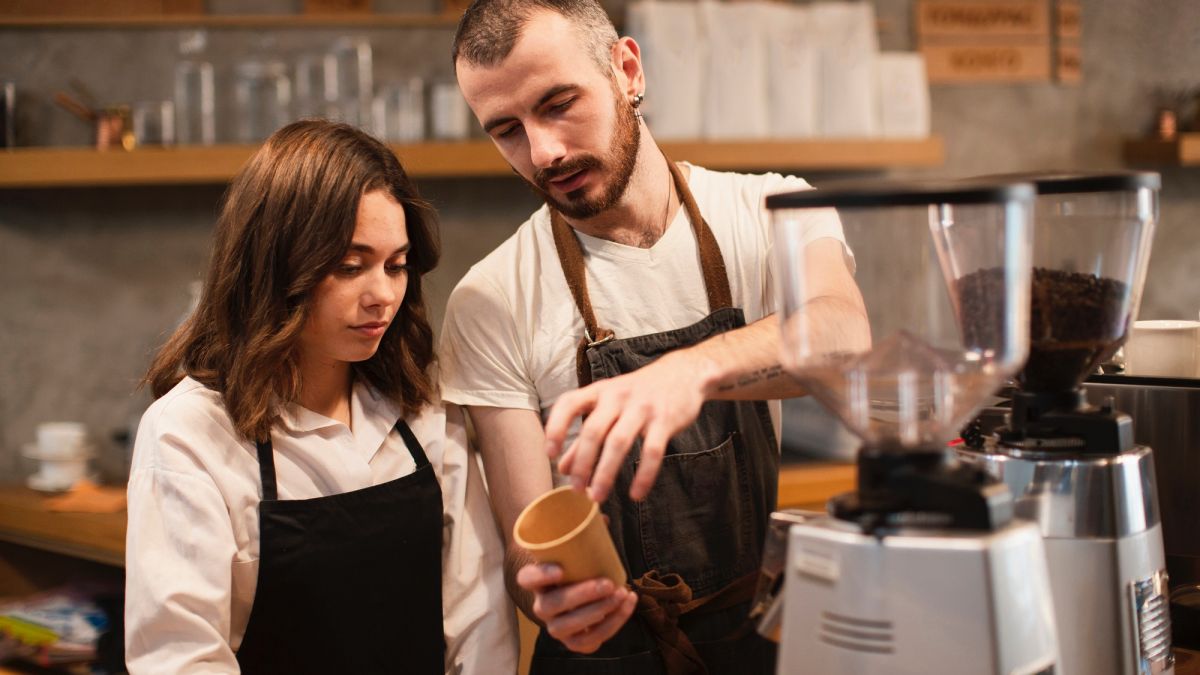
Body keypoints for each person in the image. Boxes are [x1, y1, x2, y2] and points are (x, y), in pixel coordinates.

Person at [439, 1, 869, 672]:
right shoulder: (491, 298)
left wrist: (688, 370)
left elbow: (842, 337)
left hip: (760, 639)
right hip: (607, 655)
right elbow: (528, 536)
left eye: (558, 104)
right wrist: (556, 596)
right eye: (507, 130)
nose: (543, 151)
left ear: (627, 70)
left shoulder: (772, 210)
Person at [124, 119, 517, 674]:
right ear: (275, 265)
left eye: (396, 265)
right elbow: (182, 657)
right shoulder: (189, 432)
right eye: (349, 267)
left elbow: (479, 624)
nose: (382, 295)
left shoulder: (422, 406)